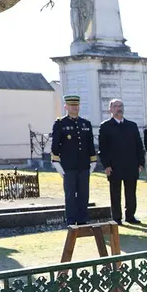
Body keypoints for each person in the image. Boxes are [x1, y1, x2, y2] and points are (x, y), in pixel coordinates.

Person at [50, 95, 97, 226]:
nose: (74, 108)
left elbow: (90, 144)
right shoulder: (60, 123)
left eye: (76, 105)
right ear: (66, 106)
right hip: (68, 166)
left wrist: (93, 161)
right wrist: (56, 163)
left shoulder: (86, 123)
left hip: (83, 165)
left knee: (83, 194)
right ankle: (71, 220)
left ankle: (82, 219)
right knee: (70, 194)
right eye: (71, 105)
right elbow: (55, 145)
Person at [98, 99, 145, 225]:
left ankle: (130, 216)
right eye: (115, 106)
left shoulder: (132, 125)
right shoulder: (105, 126)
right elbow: (103, 148)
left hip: (131, 164)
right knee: (115, 193)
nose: (119, 108)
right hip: (114, 166)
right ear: (110, 109)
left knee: (131, 193)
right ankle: (117, 218)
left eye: (120, 106)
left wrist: (141, 163)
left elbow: (139, 145)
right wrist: (106, 165)